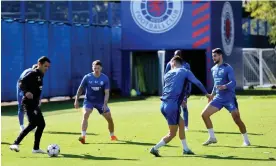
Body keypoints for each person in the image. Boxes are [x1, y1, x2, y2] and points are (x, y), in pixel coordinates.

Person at [150, 56, 211, 157]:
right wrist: (206, 94)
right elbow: (197, 82)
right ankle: (155, 148)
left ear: (174, 63)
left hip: (163, 105)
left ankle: (185, 149)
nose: (169, 64)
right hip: (172, 106)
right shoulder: (185, 71)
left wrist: (182, 97)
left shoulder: (168, 74)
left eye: (170, 63)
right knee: (172, 133)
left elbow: (171, 88)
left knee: (181, 123)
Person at [201, 48, 251, 146]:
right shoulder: (213, 69)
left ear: (220, 56)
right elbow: (216, 84)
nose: (213, 58)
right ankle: (212, 137)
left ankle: (246, 140)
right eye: (212, 56)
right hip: (218, 99)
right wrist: (211, 95)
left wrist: (225, 86)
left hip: (229, 98)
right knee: (204, 115)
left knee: (237, 119)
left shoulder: (228, 68)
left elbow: (233, 82)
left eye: (215, 56)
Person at [10, 56, 51, 153]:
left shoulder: (40, 75)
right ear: (39, 64)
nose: (47, 68)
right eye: (45, 66)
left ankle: (35, 148)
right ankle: (15, 143)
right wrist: (26, 92)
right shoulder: (33, 73)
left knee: (41, 124)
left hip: (34, 103)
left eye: (48, 67)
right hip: (28, 103)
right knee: (34, 124)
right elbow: (21, 82)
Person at [74, 60, 118, 144]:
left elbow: (107, 93)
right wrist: (76, 100)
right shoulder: (87, 77)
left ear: (101, 68)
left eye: (98, 68)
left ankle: (112, 135)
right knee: (86, 114)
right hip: (89, 101)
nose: (96, 70)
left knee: (109, 119)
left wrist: (105, 105)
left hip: (100, 102)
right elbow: (80, 89)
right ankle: (83, 136)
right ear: (92, 68)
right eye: (94, 68)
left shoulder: (105, 78)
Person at [165, 50, 192, 131]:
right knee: (174, 108)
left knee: (184, 107)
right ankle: (176, 124)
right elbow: (166, 77)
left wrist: (189, 89)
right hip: (172, 90)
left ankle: (186, 126)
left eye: (178, 55)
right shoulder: (169, 64)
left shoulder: (186, 65)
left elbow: (189, 78)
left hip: (183, 90)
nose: (177, 56)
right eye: (175, 55)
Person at [17, 64, 38, 132]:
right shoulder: (28, 73)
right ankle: (21, 126)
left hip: (29, 89)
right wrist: (24, 93)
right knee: (21, 107)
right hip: (21, 88)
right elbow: (21, 83)